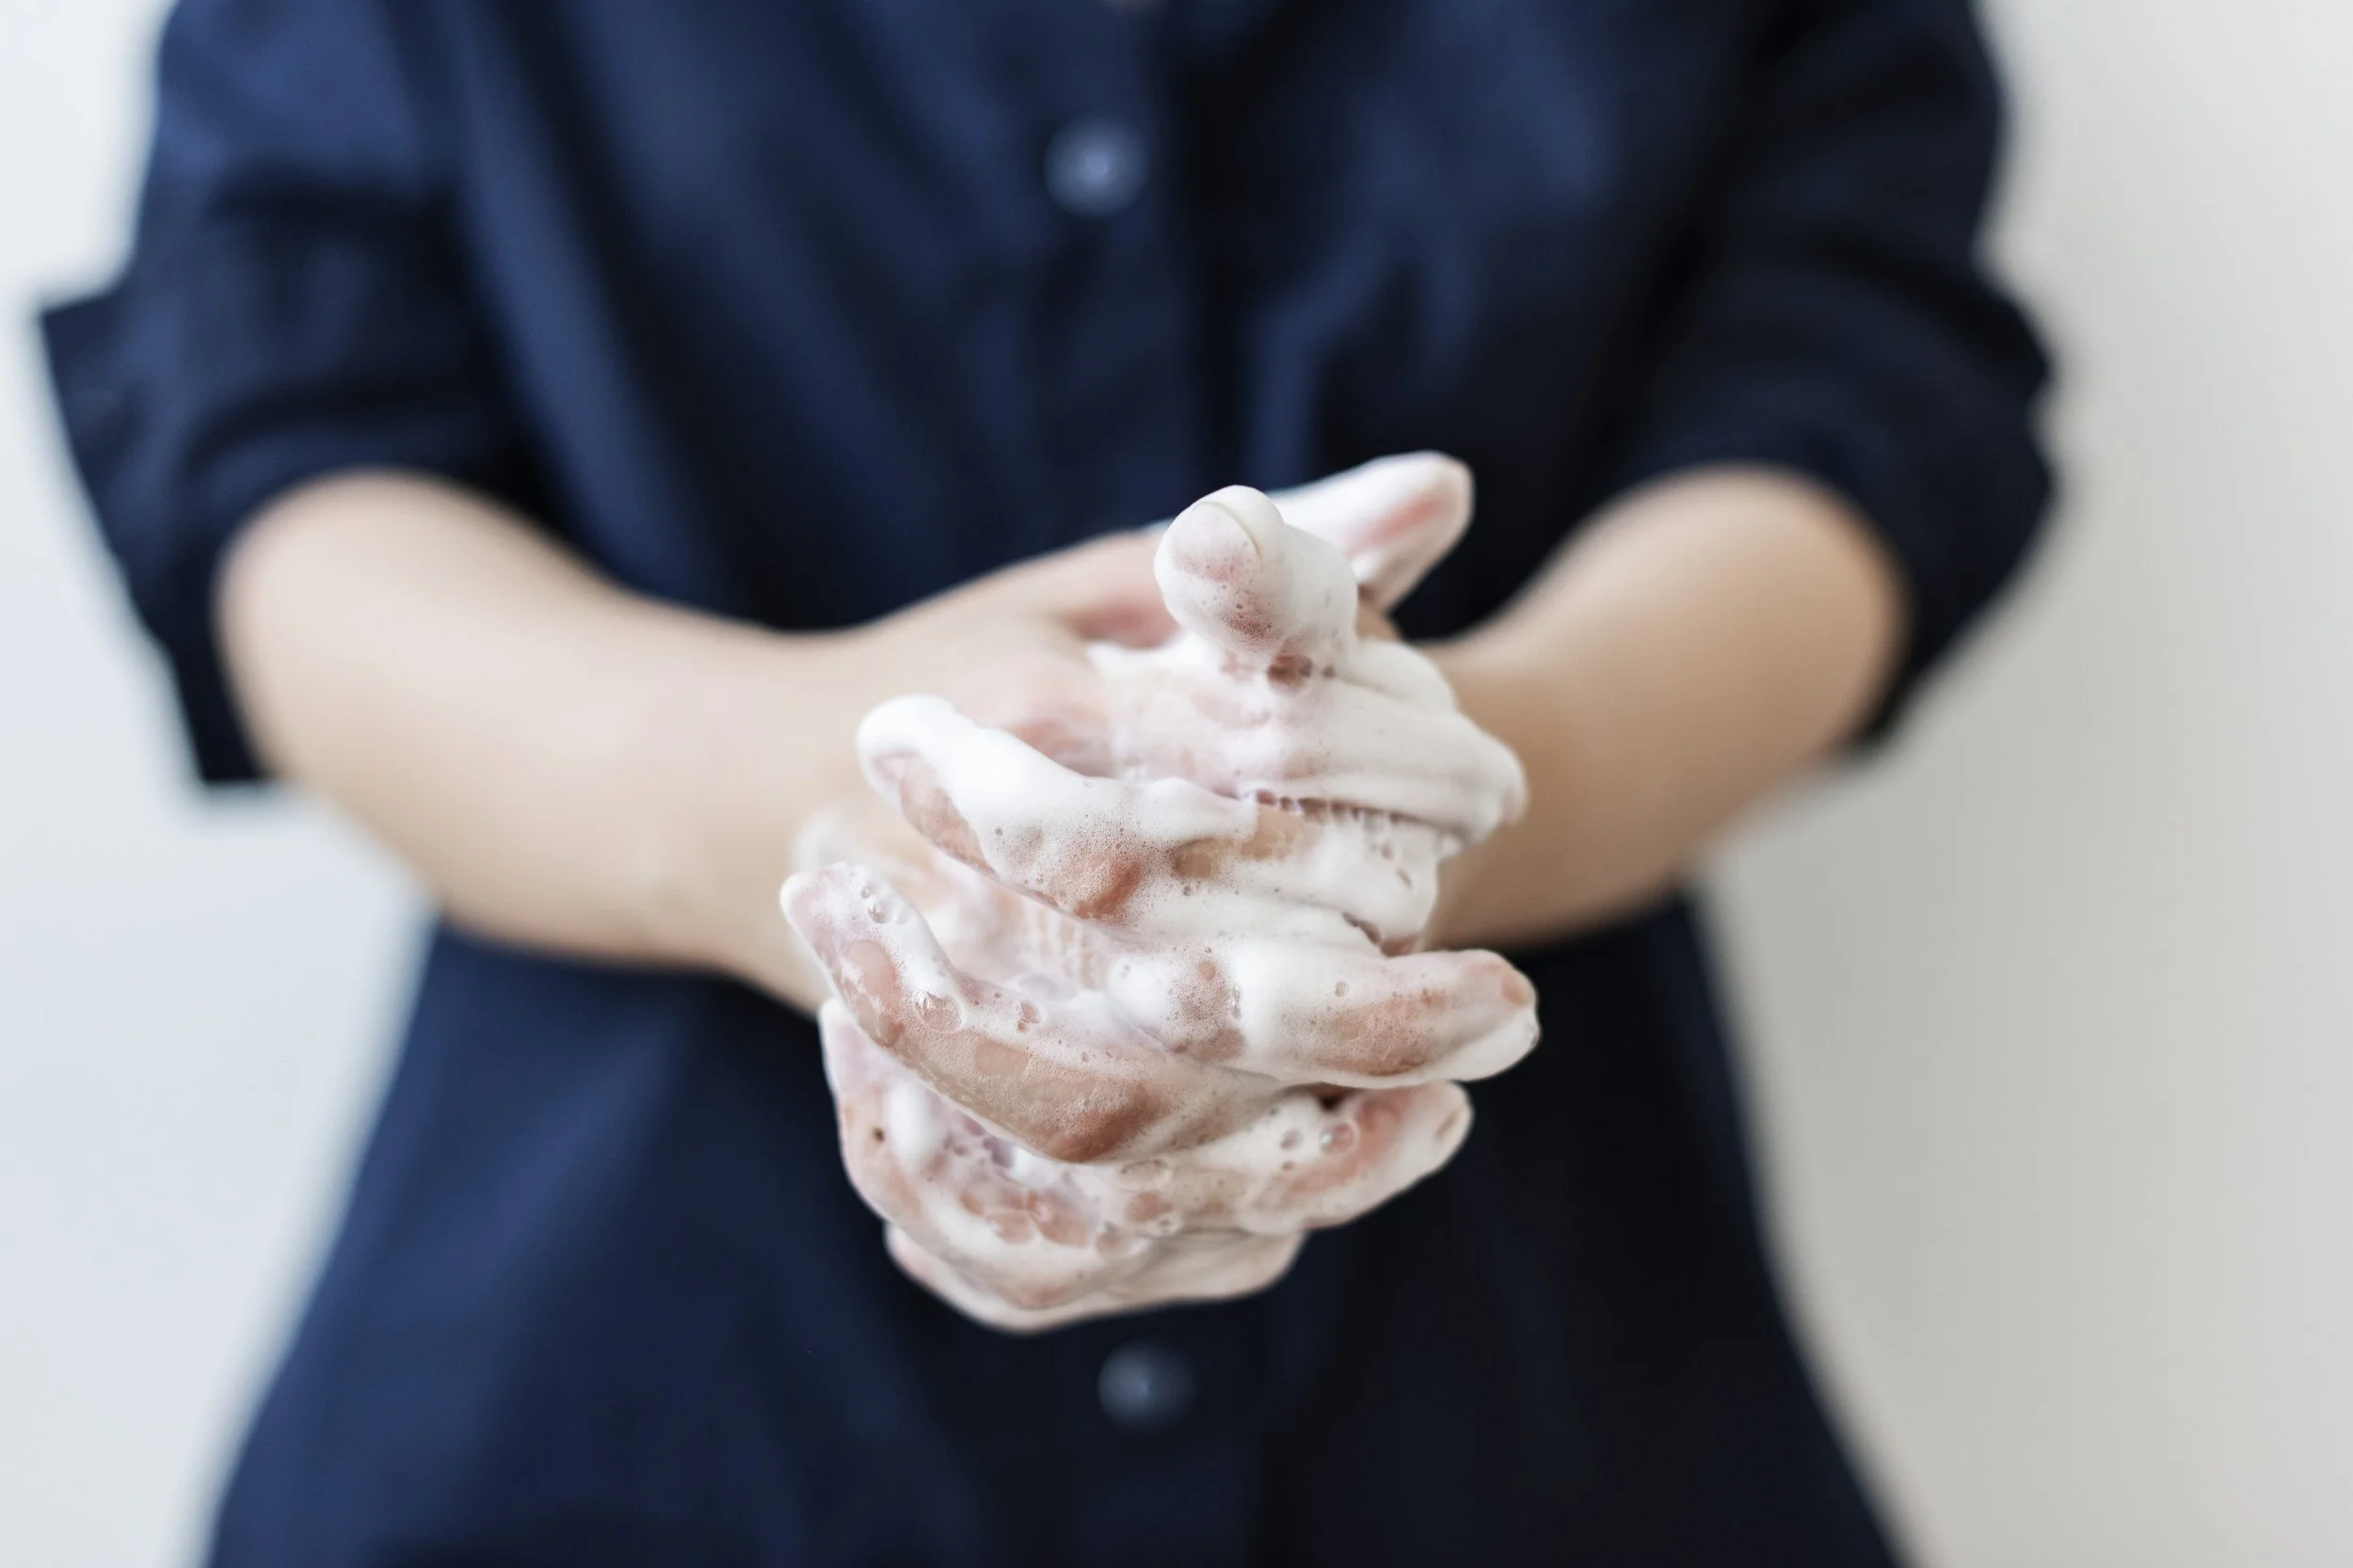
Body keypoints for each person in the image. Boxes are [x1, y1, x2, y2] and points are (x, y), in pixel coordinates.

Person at [41, 0, 2049, 1562]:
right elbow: (288, 478)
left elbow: (1841, 419)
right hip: (629, 1407)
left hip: (1522, 1418)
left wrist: (1385, 799)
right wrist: (838, 819)